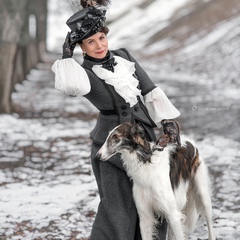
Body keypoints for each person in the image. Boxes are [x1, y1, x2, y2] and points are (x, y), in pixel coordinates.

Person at [51, 1, 181, 239]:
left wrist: (167, 122)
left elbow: (149, 88)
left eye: (101, 38)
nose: (99, 45)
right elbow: (69, 86)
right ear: (82, 46)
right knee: (117, 208)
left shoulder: (124, 56)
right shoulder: (83, 73)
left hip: (144, 142)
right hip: (111, 148)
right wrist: (66, 55)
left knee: (154, 200)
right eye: (90, 42)